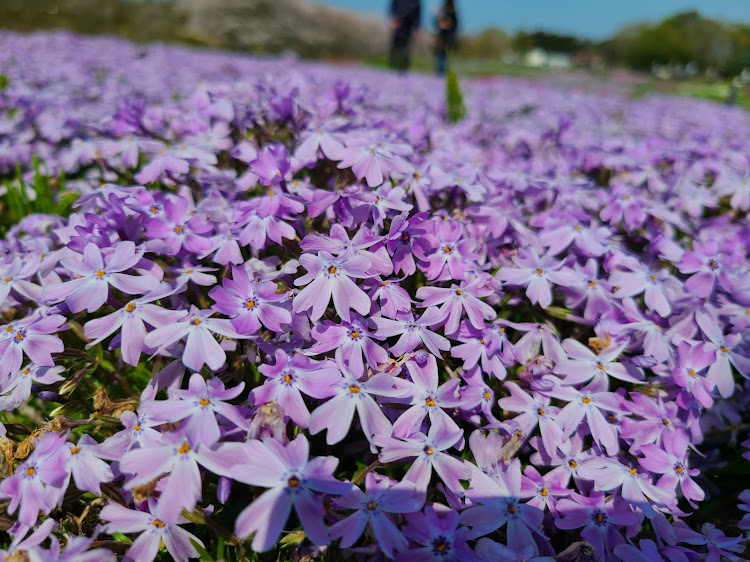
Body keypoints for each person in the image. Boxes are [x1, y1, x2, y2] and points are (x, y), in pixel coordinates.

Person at [389, 0, 421, 72]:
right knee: (395, 48)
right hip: (398, 25)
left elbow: (417, 15)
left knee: (406, 49)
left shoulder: (416, 2)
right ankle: (392, 67)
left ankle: (403, 69)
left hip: (408, 28)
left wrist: (417, 28)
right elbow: (393, 8)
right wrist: (393, 18)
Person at [434, 0, 458, 76]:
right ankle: (440, 76)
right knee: (440, 60)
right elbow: (436, 23)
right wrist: (437, 17)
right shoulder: (443, 13)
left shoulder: (453, 14)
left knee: (445, 60)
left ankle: (442, 75)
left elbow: (454, 26)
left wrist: (447, 25)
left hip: (448, 40)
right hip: (441, 41)